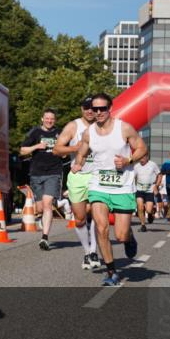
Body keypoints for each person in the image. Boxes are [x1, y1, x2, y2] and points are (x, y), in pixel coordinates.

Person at [72, 93, 147, 287]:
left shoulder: (124, 128)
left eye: (102, 109)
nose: (98, 112)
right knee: (101, 227)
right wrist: (78, 163)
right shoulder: (89, 132)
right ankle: (111, 271)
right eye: (94, 109)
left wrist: (128, 160)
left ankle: (129, 237)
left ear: (110, 108)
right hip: (98, 186)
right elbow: (82, 151)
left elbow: (141, 148)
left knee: (120, 235)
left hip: (122, 187)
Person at [52, 97, 100, 269]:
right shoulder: (73, 126)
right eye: (86, 108)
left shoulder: (104, 125)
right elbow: (57, 149)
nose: (90, 111)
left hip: (98, 175)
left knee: (97, 214)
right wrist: (76, 148)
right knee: (79, 219)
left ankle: (94, 251)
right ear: (81, 109)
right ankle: (87, 252)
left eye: (93, 108)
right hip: (78, 176)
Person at [20, 109, 65, 251]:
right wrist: (37, 146)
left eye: (52, 119)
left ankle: (45, 237)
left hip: (53, 172)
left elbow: (66, 150)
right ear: (42, 119)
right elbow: (22, 151)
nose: (49, 121)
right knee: (39, 208)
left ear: (55, 120)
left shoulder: (60, 133)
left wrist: (63, 153)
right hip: (36, 173)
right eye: (47, 118)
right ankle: (43, 219)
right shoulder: (35, 133)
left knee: (47, 204)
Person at [133, 154, 162, 232]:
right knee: (140, 207)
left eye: (142, 157)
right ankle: (143, 225)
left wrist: (157, 185)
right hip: (139, 189)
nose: (141, 159)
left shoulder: (153, 164)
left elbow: (159, 175)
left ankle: (150, 214)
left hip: (150, 190)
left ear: (147, 157)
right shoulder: (136, 166)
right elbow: (132, 177)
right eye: (140, 157)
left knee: (148, 210)